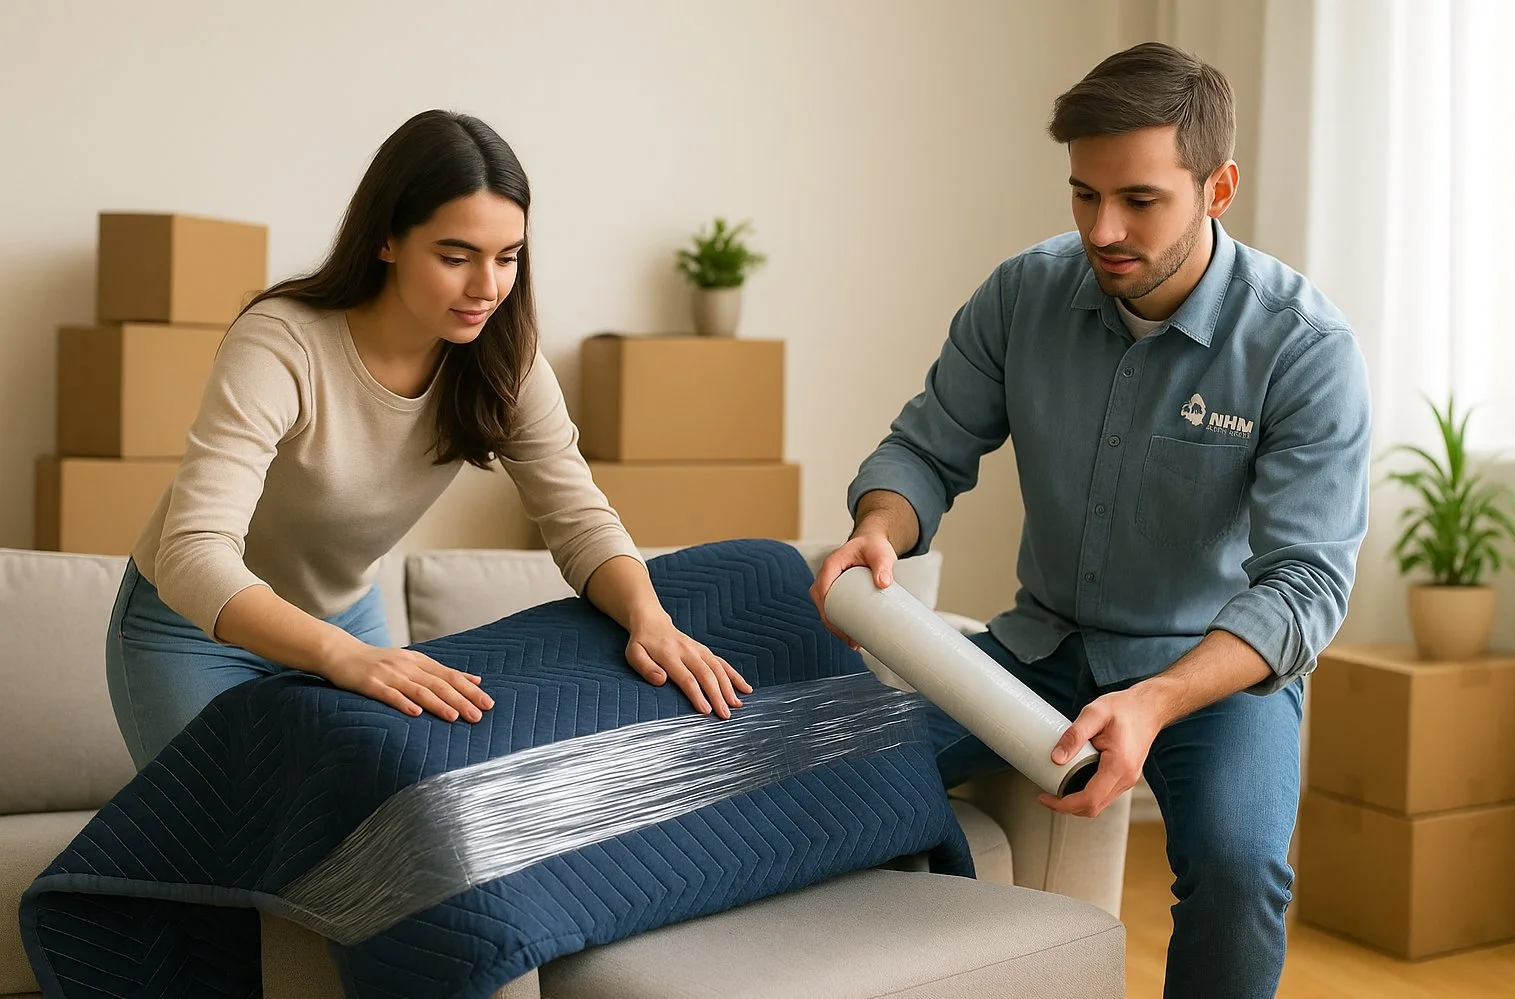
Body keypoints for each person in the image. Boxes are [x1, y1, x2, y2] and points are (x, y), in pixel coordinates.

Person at [810, 42, 1369, 999]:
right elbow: (924, 450)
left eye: (1140, 200)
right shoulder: (1023, 293)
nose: (1103, 228)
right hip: (1038, 648)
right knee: (825, 781)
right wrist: (881, 526)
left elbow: (1307, 585)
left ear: (1218, 186)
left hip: (1210, 672)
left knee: (1240, 871)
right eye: (1082, 195)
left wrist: (1153, 702)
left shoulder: (1303, 347)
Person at [106, 110, 752, 771]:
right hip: (196, 629)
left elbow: (578, 517)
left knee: (382, 831)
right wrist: (342, 656)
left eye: (508, 258)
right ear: (387, 239)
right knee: (223, 841)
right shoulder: (282, 342)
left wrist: (650, 619)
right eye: (456, 256)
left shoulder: (506, 358)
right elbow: (193, 554)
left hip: (343, 619)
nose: (487, 288)